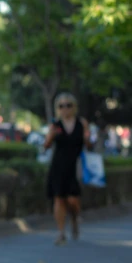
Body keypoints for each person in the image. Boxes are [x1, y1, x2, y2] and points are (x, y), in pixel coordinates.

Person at [43, 92, 90, 246]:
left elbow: (89, 145)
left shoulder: (81, 123)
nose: (65, 109)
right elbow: (46, 146)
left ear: (74, 107)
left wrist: (87, 139)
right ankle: (61, 232)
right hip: (58, 166)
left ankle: (75, 218)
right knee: (59, 198)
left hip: (74, 166)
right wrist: (51, 136)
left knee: (73, 200)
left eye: (68, 105)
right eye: (61, 106)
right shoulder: (55, 125)